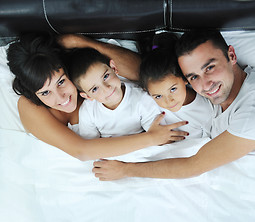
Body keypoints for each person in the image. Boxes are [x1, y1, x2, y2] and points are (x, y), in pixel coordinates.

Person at [92, 30, 255, 180]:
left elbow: (193, 166)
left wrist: (125, 170)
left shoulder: (250, 111)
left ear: (231, 55)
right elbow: (150, 76)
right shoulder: (201, 90)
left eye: (210, 68)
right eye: (193, 77)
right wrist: (86, 43)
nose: (205, 85)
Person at [7, 32, 188, 161]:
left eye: (61, 82)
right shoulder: (29, 106)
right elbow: (81, 151)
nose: (61, 98)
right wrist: (151, 138)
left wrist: (83, 43)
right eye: (45, 92)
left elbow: (146, 74)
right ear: (34, 93)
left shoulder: (92, 79)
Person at [67, 47, 170, 139]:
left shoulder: (141, 97)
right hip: (110, 155)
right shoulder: (88, 111)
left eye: (106, 76)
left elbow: (157, 136)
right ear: (88, 96)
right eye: (94, 89)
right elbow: (92, 147)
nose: (107, 88)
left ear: (113, 68)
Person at [139, 35, 215, 139]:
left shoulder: (207, 110)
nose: (169, 101)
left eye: (173, 89)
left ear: (185, 79)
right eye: (158, 96)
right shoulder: (149, 105)